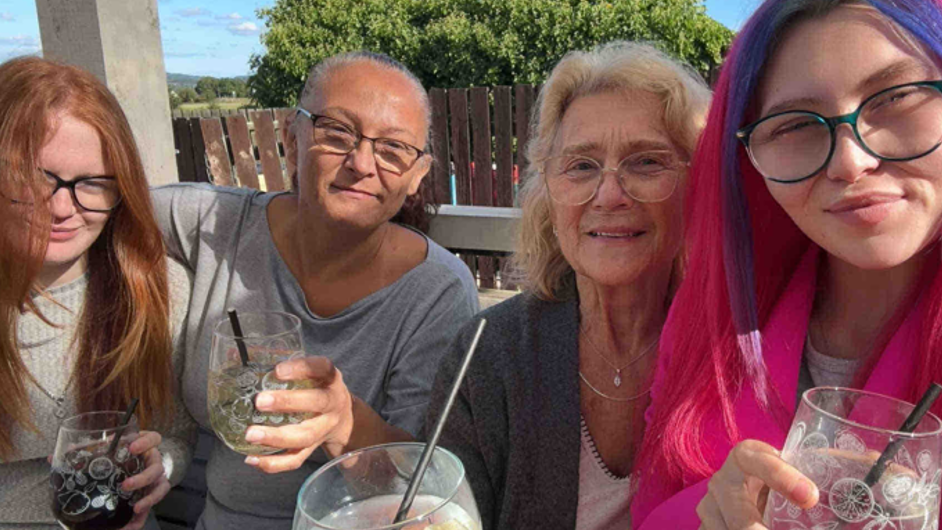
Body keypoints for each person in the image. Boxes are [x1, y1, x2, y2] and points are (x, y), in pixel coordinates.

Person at [631, 0, 942, 528]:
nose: (851, 162)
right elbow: (651, 507)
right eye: (795, 125)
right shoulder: (710, 318)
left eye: (897, 97)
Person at [151, 51, 479, 530]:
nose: (362, 163)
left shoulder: (437, 293)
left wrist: (343, 421)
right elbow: (87, 202)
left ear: (416, 177)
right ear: (292, 138)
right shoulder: (212, 224)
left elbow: (418, 489)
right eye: (337, 133)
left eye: (392, 150)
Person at [427, 41, 710, 530]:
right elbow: (442, 509)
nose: (610, 194)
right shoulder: (487, 355)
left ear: (697, 185)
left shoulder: (734, 350)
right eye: (581, 166)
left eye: (647, 162)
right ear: (548, 197)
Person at [0, 57, 195, 530]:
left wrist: (159, 467)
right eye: (36, 178)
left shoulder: (155, 291)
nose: (62, 208)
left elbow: (176, 435)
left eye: (91, 183)